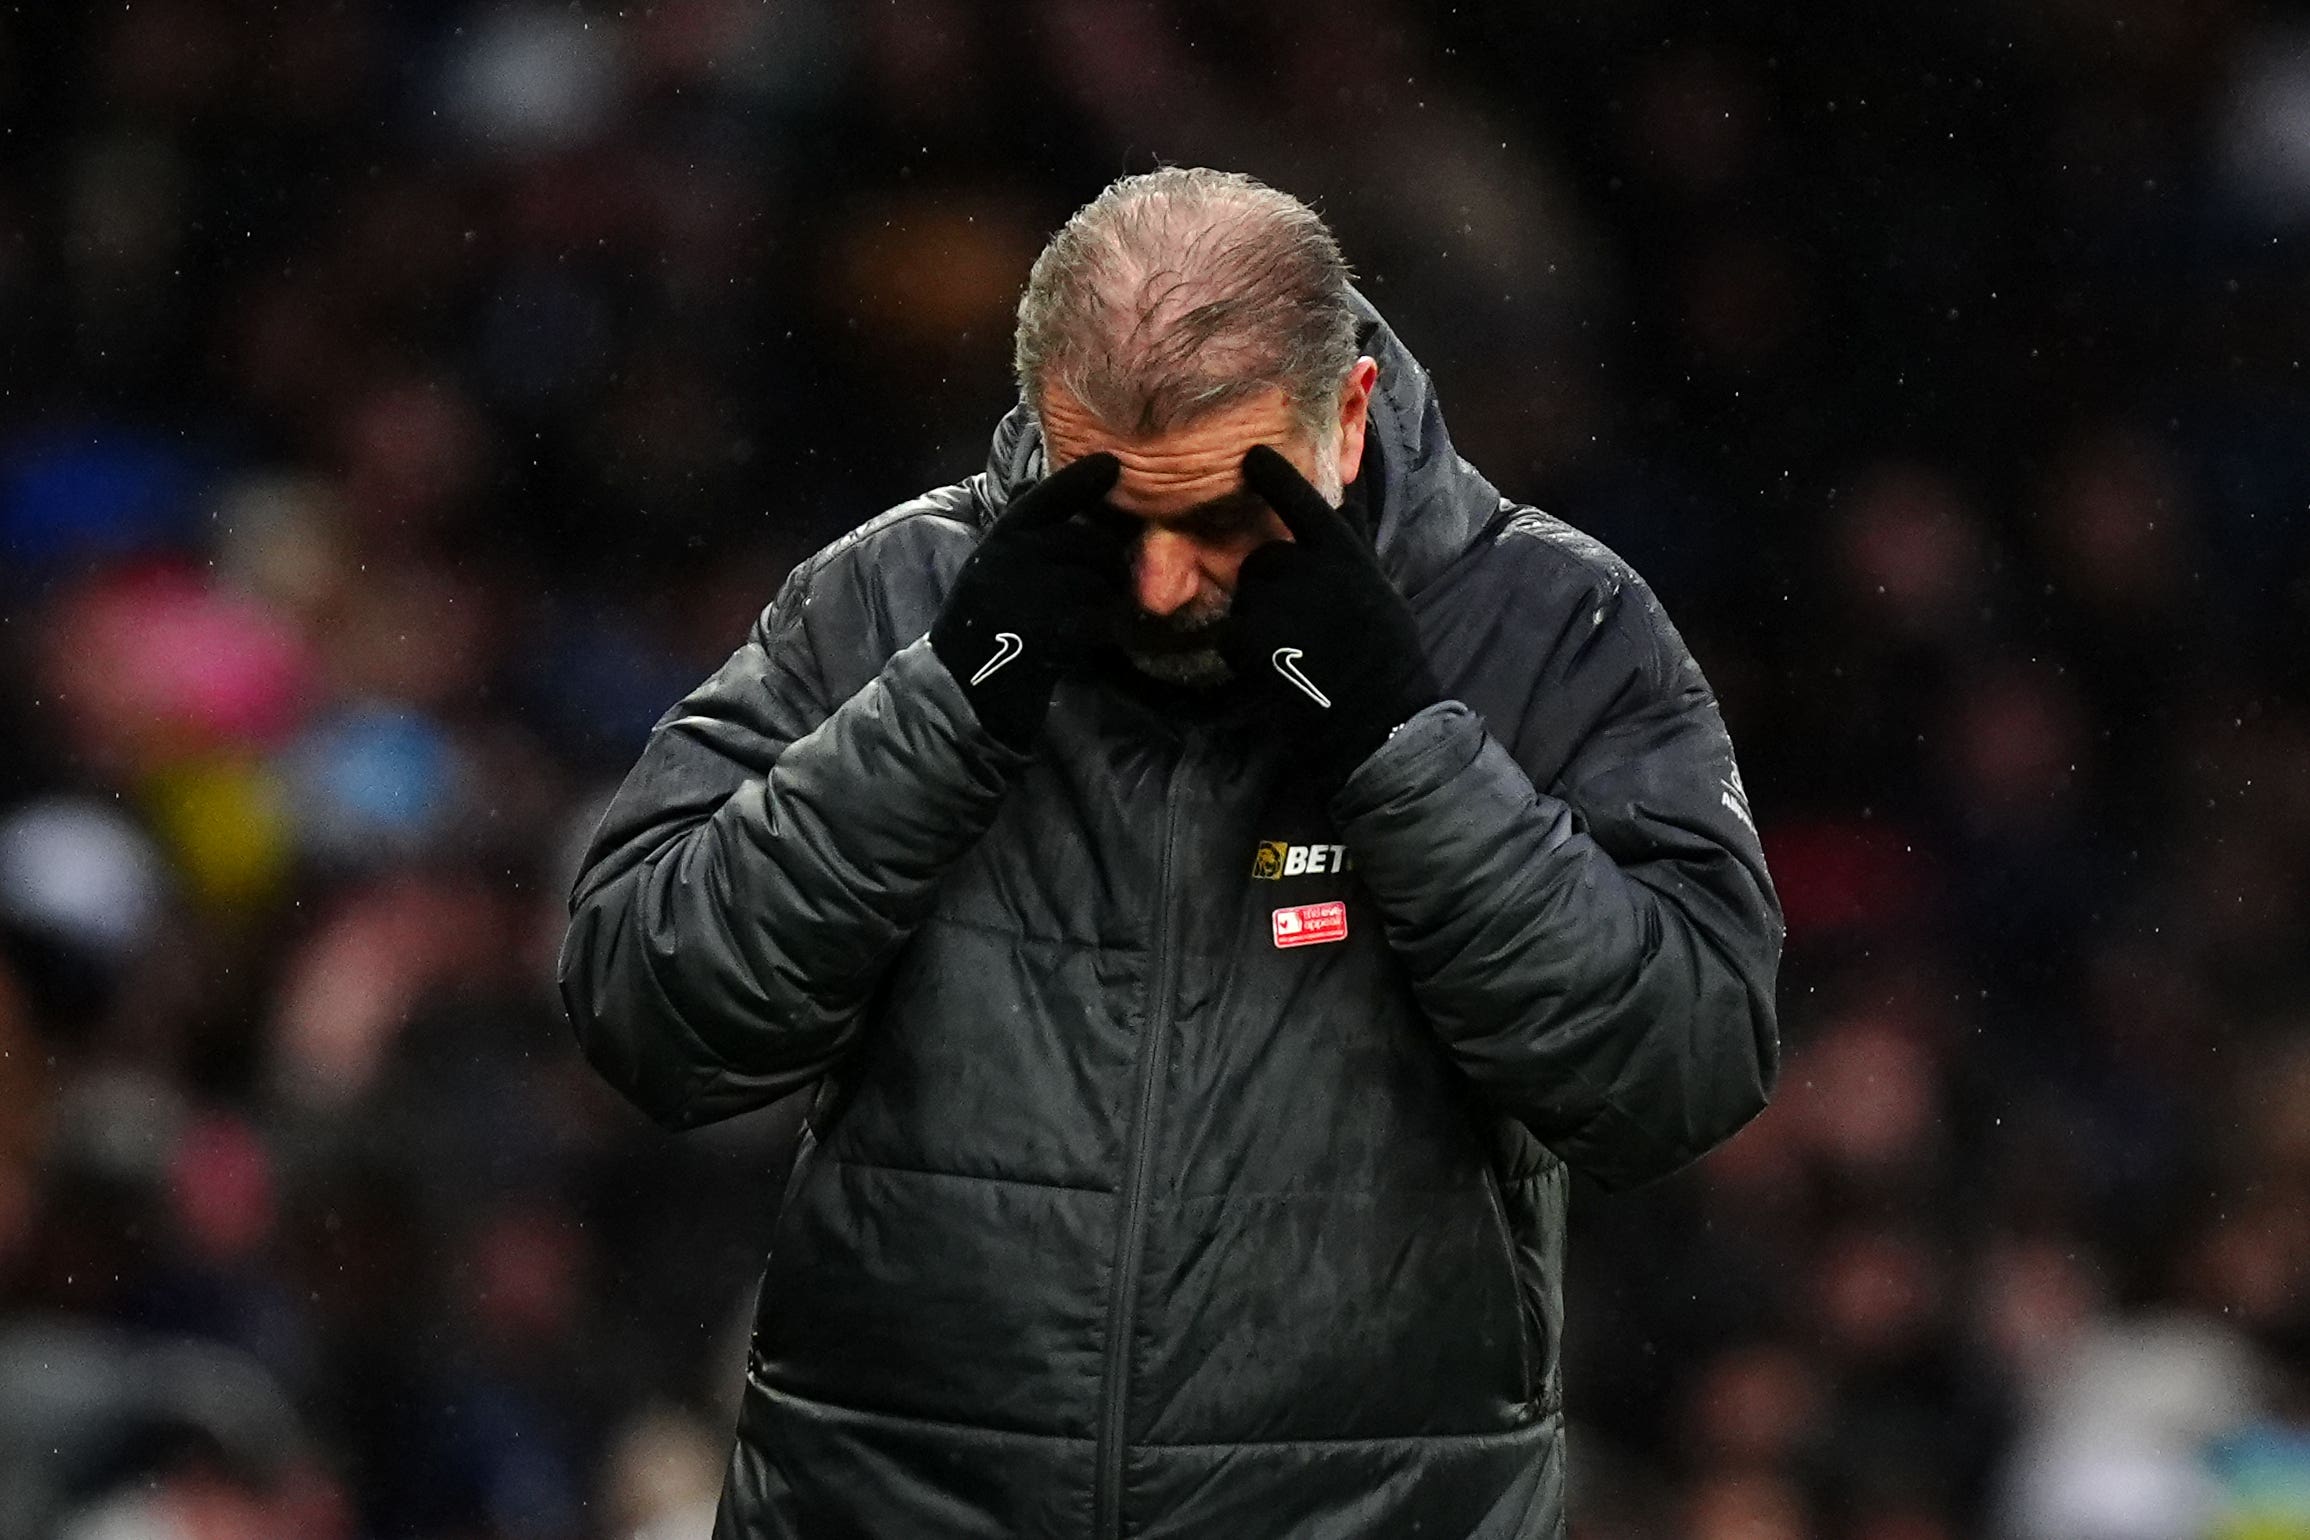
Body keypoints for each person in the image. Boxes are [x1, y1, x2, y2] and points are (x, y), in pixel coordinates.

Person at [559, 167, 1782, 1540]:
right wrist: (950, 704)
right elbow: (647, 1005)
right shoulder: (894, 599)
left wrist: (1399, 745)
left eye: (1217, 518)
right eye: (1110, 513)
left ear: (1352, 416)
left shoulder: (1554, 624)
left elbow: (1682, 1066)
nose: (1158, 580)